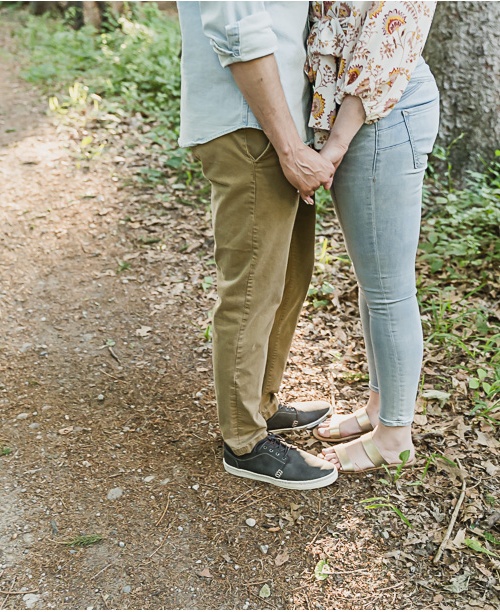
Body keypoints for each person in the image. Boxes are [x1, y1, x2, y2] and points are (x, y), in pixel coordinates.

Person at [177, 2, 338, 489]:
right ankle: (244, 442)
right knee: (251, 289)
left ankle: (261, 403)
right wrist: (289, 147)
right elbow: (237, 29)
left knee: (288, 276)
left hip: (278, 124)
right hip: (252, 127)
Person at [307, 1, 439, 473]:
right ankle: (378, 411)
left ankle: (395, 437)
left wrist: (336, 144)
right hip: (359, 114)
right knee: (375, 281)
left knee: (389, 289)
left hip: (382, 111)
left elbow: (388, 39)